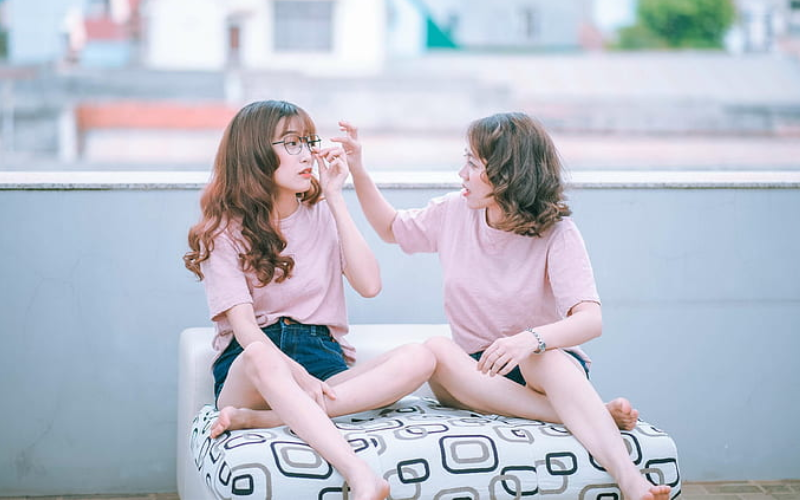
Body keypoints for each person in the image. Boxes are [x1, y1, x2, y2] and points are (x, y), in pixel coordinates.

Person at [339, 112, 672, 500]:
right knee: (435, 350)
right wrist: (357, 168)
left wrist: (527, 341)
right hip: (474, 376)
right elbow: (391, 228)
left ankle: (631, 481)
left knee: (541, 358)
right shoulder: (454, 211)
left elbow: (590, 320)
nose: (461, 173)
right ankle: (593, 413)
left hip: (542, 369)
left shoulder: (557, 232)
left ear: (507, 174)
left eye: (473, 163)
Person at [183, 100, 436, 500]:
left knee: (422, 357)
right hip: (252, 366)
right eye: (291, 143)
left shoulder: (321, 211)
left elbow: (370, 284)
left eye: (307, 142)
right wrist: (294, 376)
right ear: (254, 153)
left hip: (323, 361)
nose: (307, 155)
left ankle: (266, 420)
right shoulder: (222, 231)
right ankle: (361, 474)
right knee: (260, 356)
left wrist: (336, 197)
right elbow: (246, 329)